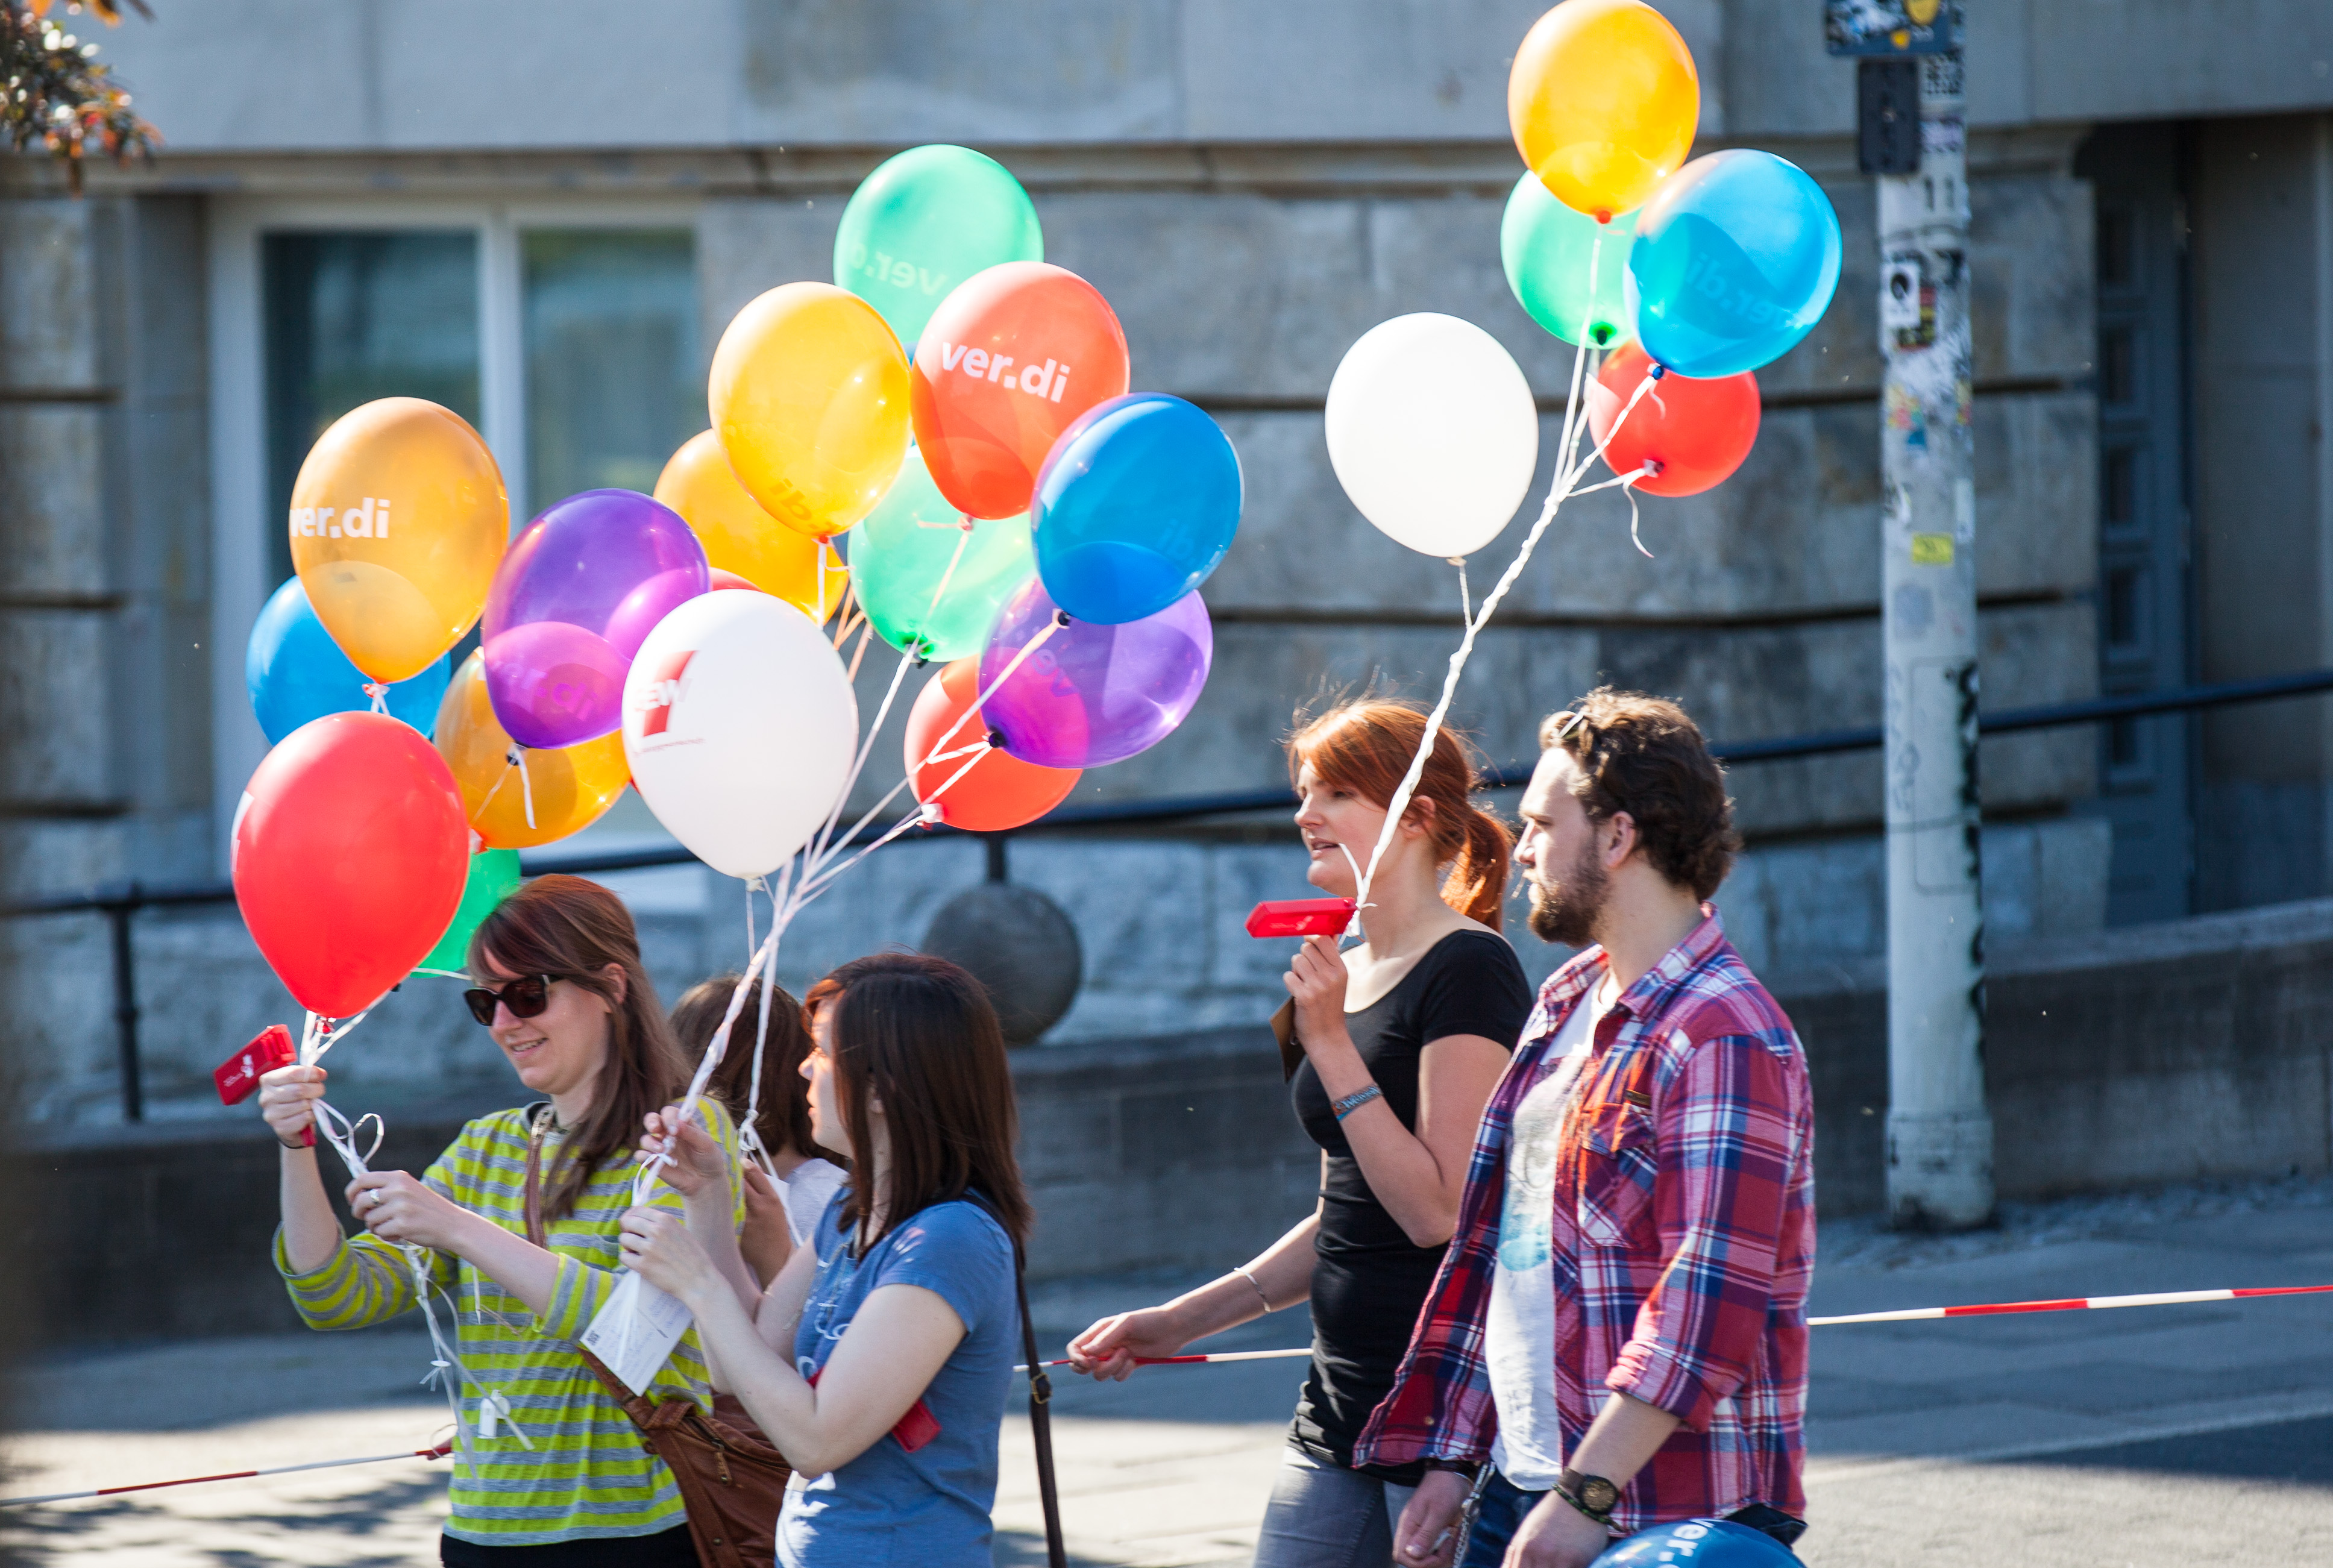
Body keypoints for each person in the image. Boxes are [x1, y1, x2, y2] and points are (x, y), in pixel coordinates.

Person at [1066, 699, 1534, 1568]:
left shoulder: (1470, 966)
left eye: (1336, 793)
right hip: (1335, 1401)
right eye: (1303, 791)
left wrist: (1330, 1046)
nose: (1304, 814)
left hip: (1438, 1410)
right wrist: (1180, 1320)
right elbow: (1347, 1213)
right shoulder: (1337, 974)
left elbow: (1435, 1210)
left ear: (1415, 816)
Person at [1358, 689, 1816, 1568]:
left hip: (1661, 1509)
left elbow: (1705, 1305)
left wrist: (1583, 1495)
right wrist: (1456, 1459)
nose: (1521, 848)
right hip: (1523, 1481)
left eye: (1540, 824)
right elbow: (1509, 1251)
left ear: (1617, 837)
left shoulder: (1721, 1032)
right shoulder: (1567, 996)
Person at [257, 874, 741, 1567]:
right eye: (485, 1001)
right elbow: (334, 1296)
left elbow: (637, 1333)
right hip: (486, 1532)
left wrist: (458, 1228)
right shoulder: (485, 1146)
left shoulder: (684, 1135)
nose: (505, 1023)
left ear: (611, 987)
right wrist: (295, 1145)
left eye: (529, 993)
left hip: (636, 1534)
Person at [617, 953, 1029, 1568]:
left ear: (883, 1086)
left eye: (823, 1050)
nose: (804, 1068)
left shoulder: (949, 1239)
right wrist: (707, 1194)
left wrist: (698, 1283)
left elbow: (815, 1441)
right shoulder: (853, 1204)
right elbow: (746, 1358)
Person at [675, 973, 847, 1285]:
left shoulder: (835, 1204)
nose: (807, 1068)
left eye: (822, 1053)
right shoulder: (834, 1195)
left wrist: (774, 1258)